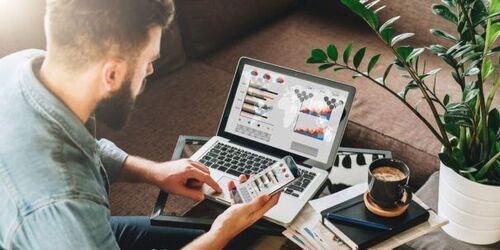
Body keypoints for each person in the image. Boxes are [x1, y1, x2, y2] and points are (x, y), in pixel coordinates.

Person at [0, 0, 280, 249]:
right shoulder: (66, 205)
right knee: (225, 236)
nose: (150, 70)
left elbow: (86, 148)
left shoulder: (21, 66)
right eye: (148, 60)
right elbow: (67, 213)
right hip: (69, 234)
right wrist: (221, 233)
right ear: (112, 74)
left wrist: (155, 172)